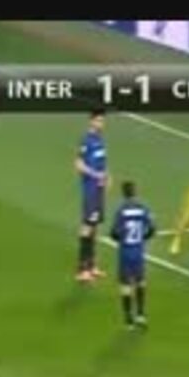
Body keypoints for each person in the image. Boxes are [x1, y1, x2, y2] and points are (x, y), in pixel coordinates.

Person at [109, 181, 156, 329]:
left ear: (123, 193)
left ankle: (128, 319)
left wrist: (121, 240)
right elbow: (152, 229)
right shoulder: (142, 208)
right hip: (138, 252)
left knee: (125, 286)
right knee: (140, 282)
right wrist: (142, 238)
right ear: (135, 191)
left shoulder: (121, 210)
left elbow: (113, 233)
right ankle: (141, 315)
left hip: (125, 253)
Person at [75, 109, 111, 282]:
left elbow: (102, 164)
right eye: (98, 121)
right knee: (87, 226)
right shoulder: (87, 140)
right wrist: (96, 175)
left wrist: (107, 177)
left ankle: (92, 265)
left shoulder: (100, 140)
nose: (101, 124)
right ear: (91, 121)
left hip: (99, 189)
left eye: (102, 121)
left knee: (95, 226)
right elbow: (78, 164)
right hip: (90, 189)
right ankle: (82, 269)